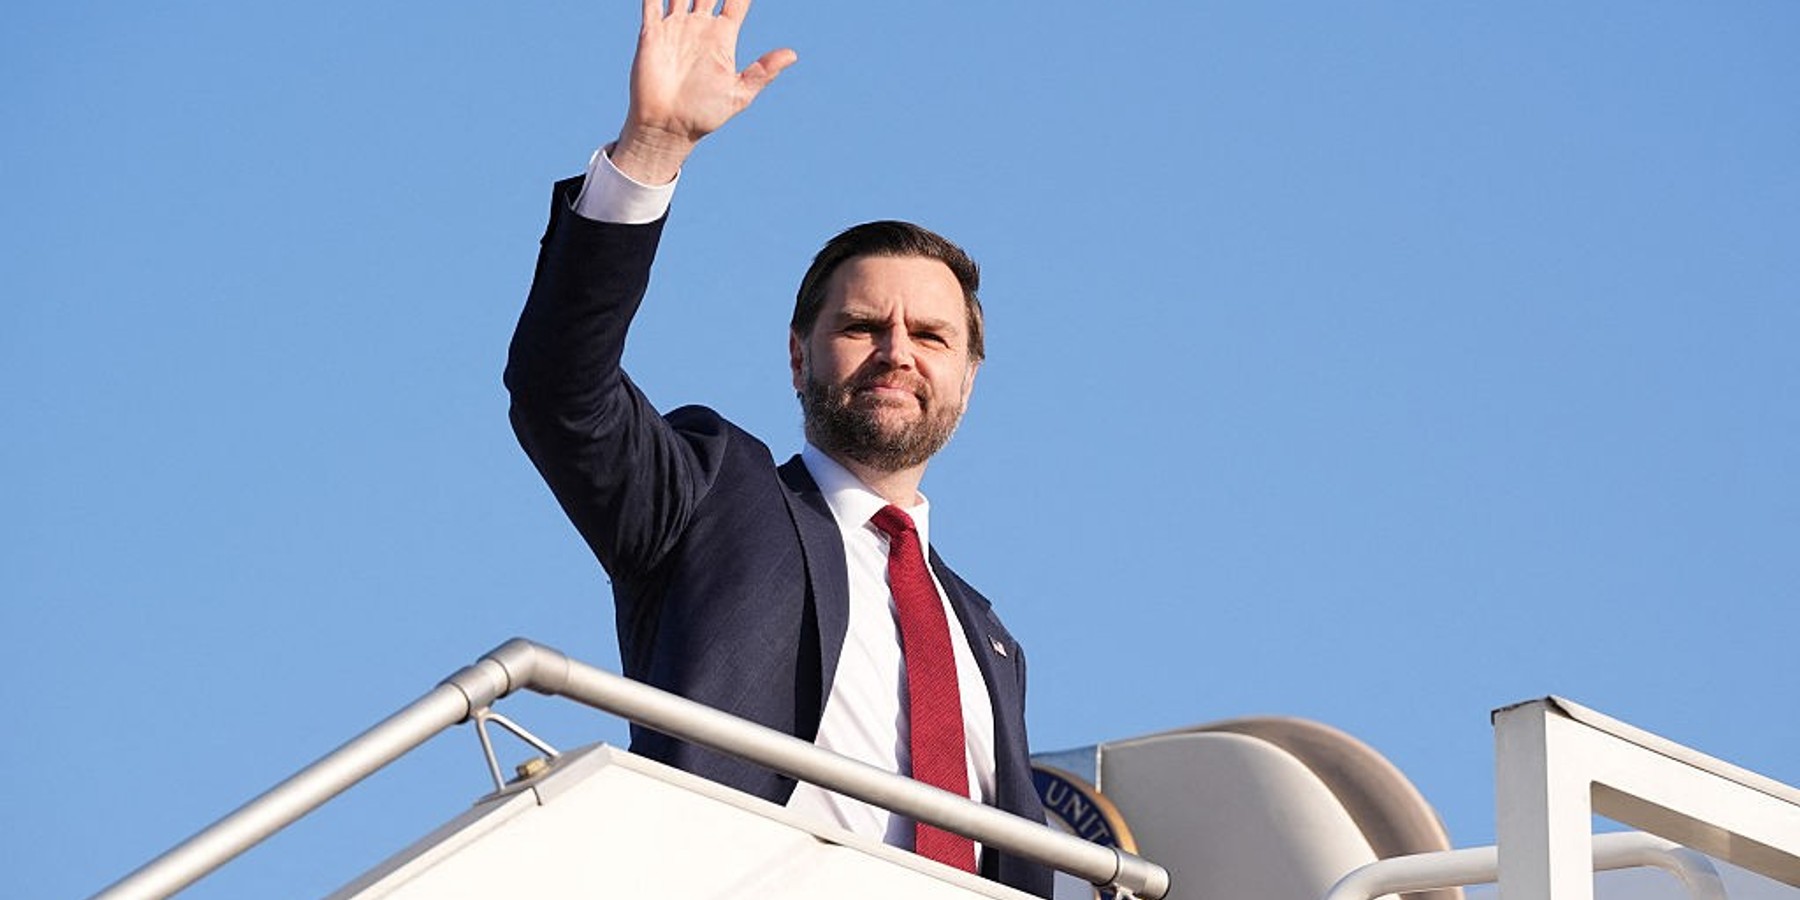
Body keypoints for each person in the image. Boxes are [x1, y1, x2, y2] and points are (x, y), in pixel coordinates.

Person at [505, 2, 1051, 895]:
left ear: (970, 379)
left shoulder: (989, 640)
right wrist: (650, 152)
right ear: (799, 356)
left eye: (932, 336)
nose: (898, 352)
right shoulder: (710, 496)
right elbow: (561, 391)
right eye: (865, 325)